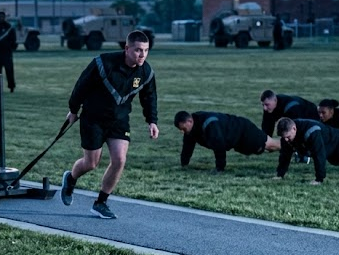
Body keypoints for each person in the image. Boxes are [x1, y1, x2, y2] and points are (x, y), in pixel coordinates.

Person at [60, 30, 158, 219]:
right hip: (93, 118)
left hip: (119, 120)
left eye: (146, 50)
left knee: (120, 160)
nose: (142, 55)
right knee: (91, 163)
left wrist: (152, 121)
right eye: (138, 50)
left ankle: (101, 202)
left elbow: (150, 97)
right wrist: (73, 110)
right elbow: (81, 86)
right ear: (127, 48)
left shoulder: (146, 72)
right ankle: (70, 179)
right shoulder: (103, 63)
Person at [173, 110, 281, 172]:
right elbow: (187, 147)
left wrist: (219, 168)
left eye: (183, 129)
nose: (183, 132)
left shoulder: (209, 124)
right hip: (236, 140)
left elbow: (219, 146)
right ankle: (289, 146)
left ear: (190, 121)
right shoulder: (190, 130)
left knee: (270, 145)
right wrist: (184, 164)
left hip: (244, 130)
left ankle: (291, 144)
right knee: (265, 148)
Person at [0, 11, 17, 91]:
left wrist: (9, 47)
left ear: (4, 17)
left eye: (2, 17)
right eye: (0, 17)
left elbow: (13, 39)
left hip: (7, 52)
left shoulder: (9, 27)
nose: (1, 18)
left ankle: (11, 86)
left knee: (9, 70)